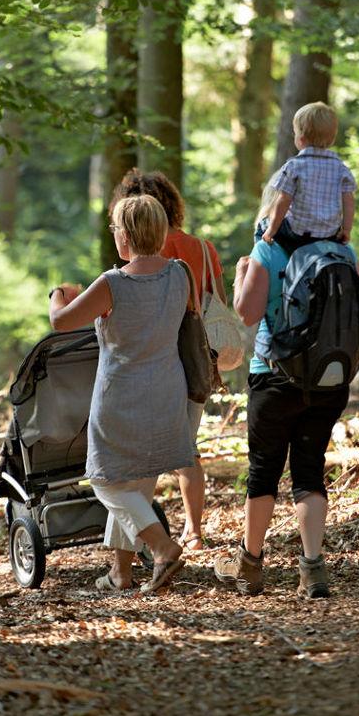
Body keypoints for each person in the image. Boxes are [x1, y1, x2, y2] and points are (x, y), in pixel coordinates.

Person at [214, 236, 359, 598]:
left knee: (264, 470)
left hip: (275, 377)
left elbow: (246, 313)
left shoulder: (268, 248)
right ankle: (313, 570)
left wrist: (242, 275)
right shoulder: (342, 250)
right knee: (309, 470)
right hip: (328, 378)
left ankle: (250, 566)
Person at [49, 194, 191, 593]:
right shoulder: (180, 273)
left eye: (115, 230)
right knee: (138, 487)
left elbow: (61, 321)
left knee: (106, 482)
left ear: (124, 236)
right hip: (166, 391)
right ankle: (121, 573)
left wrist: (58, 293)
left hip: (121, 396)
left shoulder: (114, 283)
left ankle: (162, 548)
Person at [110, 168, 227, 553]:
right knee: (186, 450)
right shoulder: (203, 248)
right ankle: (193, 532)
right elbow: (217, 303)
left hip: (154, 361)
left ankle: (138, 548)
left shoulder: (149, 251)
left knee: (140, 457)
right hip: (197, 360)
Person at [259, 102, 357, 253]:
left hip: (298, 236)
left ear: (301, 139)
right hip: (330, 235)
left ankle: (265, 268)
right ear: (332, 140)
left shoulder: (294, 167)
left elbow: (283, 200)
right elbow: (349, 201)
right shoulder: (341, 169)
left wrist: (271, 231)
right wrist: (346, 230)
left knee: (262, 226)